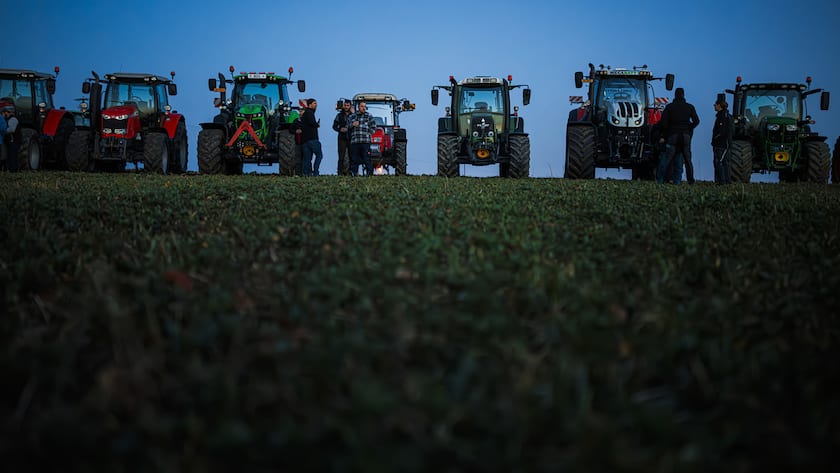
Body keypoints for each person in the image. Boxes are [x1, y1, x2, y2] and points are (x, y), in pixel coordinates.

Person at [659, 87, 700, 184]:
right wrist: (689, 128)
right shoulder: (690, 107)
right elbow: (697, 121)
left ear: (675, 95)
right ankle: (691, 180)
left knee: (669, 159)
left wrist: (664, 135)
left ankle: (665, 179)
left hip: (673, 136)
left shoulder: (669, 107)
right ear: (683, 95)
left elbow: (663, 123)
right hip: (685, 136)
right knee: (688, 160)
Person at [347, 101, 376, 176]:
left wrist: (368, 134)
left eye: (365, 106)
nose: (364, 108)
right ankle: (354, 173)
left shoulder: (369, 116)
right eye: (362, 106)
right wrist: (352, 124)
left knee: (367, 158)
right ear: (358, 107)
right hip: (355, 141)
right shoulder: (352, 116)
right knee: (354, 159)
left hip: (365, 141)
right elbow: (347, 126)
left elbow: (373, 127)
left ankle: (369, 173)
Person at [299, 98, 322, 176]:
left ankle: (305, 173)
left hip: (305, 140)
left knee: (307, 158)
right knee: (319, 155)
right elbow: (312, 123)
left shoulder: (305, 114)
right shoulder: (309, 112)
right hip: (312, 139)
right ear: (309, 105)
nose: (316, 105)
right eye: (314, 103)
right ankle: (315, 172)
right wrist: (317, 124)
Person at [712, 98, 733, 184]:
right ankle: (726, 180)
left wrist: (715, 139)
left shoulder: (722, 116)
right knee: (724, 162)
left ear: (719, 106)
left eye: (715, 105)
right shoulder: (726, 115)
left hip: (721, 144)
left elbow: (722, 131)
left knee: (719, 161)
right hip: (724, 143)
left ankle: (722, 181)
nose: (714, 106)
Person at [333, 99, 352, 175]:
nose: (346, 107)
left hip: (351, 138)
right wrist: (340, 129)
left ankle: (350, 172)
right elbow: (334, 126)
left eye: (348, 105)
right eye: (345, 105)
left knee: (351, 156)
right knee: (341, 156)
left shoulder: (353, 115)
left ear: (350, 106)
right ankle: (340, 172)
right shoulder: (339, 115)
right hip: (342, 138)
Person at [2, 102, 20, 172]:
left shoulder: (13, 119)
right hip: (9, 140)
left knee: (12, 155)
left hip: (14, 141)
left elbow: (11, 129)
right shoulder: (7, 119)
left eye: (5, 112)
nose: (4, 114)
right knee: (9, 155)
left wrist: (3, 131)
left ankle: (13, 170)